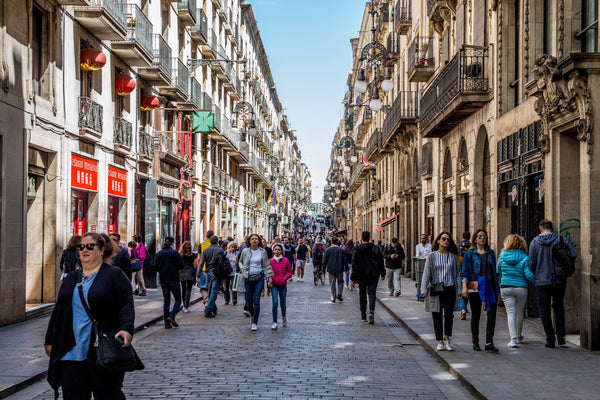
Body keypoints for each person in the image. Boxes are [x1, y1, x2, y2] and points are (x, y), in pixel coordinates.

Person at [45, 232, 138, 400]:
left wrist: (126, 329)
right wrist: (50, 340)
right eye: (81, 247)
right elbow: (59, 310)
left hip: (102, 349)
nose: (84, 250)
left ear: (102, 250)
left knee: (108, 395)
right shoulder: (71, 278)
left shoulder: (113, 275)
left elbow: (126, 304)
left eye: (90, 246)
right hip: (70, 351)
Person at [528, 219, 577, 348]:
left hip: (542, 281)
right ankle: (561, 337)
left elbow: (531, 263)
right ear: (552, 228)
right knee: (558, 307)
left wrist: (538, 273)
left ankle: (550, 338)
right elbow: (573, 254)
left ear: (540, 229)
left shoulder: (534, 243)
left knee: (544, 309)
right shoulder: (560, 240)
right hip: (559, 279)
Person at [420, 232, 461, 351]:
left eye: (448, 239)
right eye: (443, 239)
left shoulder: (453, 257)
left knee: (449, 315)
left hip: (450, 288)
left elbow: (458, 274)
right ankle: (439, 340)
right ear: (438, 241)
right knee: (436, 315)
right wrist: (423, 289)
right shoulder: (432, 256)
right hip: (436, 288)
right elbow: (426, 273)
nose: (446, 241)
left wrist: (459, 289)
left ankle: (447, 337)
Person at [462, 229, 499, 353]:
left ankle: (489, 341)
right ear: (475, 239)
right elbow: (465, 272)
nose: (482, 238)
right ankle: (475, 341)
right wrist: (464, 287)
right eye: (480, 236)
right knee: (476, 314)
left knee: (492, 313)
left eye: (484, 236)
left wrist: (497, 288)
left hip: (490, 287)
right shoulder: (469, 254)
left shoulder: (491, 253)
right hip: (475, 287)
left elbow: (495, 272)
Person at [497, 234, 535, 347]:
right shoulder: (524, 256)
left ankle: (512, 339)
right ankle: (519, 336)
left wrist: (500, 283)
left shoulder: (502, 255)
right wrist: (536, 282)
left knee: (510, 313)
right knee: (519, 313)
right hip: (521, 288)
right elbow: (528, 274)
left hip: (506, 287)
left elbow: (498, 271)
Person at [239, 234, 274, 331]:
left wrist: (269, 279)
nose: (254, 240)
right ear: (249, 241)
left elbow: (267, 266)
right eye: (252, 239)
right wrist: (242, 269)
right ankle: (252, 315)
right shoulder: (245, 251)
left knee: (257, 301)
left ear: (258, 241)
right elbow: (240, 262)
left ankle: (255, 322)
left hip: (259, 277)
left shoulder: (263, 252)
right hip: (248, 278)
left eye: (256, 239)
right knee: (248, 301)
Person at [351, 231, 385, 324]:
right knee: (372, 293)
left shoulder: (357, 250)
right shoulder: (375, 248)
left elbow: (354, 265)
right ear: (369, 238)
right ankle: (371, 312)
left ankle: (363, 315)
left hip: (361, 275)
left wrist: (353, 279)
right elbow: (380, 261)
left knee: (362, 295)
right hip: (373, 274)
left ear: (361, 238)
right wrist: (383, 273)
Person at [154, 236, 184, 328]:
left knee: (166, 301)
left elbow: (155, 267)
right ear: (172, 243)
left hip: (163, 280)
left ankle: (166, 323)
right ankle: (172, 315)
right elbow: (181, 265)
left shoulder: (159, 254)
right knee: (178, 299)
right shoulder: (175, 253)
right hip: (173, 279)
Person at [196, 235, 225, 318]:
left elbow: (201, 263)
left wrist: (198, 274)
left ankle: (214, 308)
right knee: (214, 292)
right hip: (217, 273)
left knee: (210, 291)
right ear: (217, 242)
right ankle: (208, 310)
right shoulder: (220, 250)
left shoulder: (205, 250)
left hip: (208, 273)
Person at [269, 243, 292, 330]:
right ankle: (274, 322)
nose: (277, 251)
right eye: (276, 249)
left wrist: (285, 278)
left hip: (283, 284)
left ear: (282, 251)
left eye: (279, 249)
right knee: (275, 303)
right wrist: (269, 281)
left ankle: (283, 317)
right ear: (273, 251)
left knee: (283, 304)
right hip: (274, 284)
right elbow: (268, 273)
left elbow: (290, 272)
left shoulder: (285, 260)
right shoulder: (270, 261)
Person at [323, 236, 348, 303]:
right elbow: (345, 260)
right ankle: (339, 293)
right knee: (340, 281)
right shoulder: (341, 250)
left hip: (331, 269)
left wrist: (323, 270)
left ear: (331, 242)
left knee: (332, 283)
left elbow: (324, 260)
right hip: (339, 268)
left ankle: (333, 297)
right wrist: (346, 268)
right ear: (337, 242)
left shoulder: (327, 250)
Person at [179, 241, 197, 313]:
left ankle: (184, 304)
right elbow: (195, 264)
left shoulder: (180, 255)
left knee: (183, 289)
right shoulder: (193, 255)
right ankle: (186, 306)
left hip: (182, 273)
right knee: (189, 289)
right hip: (190, 272)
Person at [458, 231, 472, 320]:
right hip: (469, 271)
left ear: (462, 236)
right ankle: (465, 307)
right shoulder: (472, 246)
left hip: (460, 270)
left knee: (461, 290)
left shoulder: (458, 246)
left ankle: (463, 308)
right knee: (467, 290)